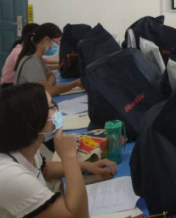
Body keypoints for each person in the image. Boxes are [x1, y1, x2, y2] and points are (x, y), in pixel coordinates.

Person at [0, 83, 117, 218]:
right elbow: (78, 216)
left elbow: (43, 169)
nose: (56, 110)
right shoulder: (9, 175)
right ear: (31, 119)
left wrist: (86, 166)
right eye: (51, 107)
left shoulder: (27, 145)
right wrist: (69, 157)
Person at [14, 23, 81, 96]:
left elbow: (51, 76)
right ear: (46, 40)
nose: (57, 45)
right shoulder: (31, 63)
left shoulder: (38, 59)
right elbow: (48, 92)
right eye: (56, 42)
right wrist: (74, 84)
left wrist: (47, 86)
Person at [1, 23, 39, 89]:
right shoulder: (19, 51)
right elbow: (29, 69)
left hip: (17, 82)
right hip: (10, 84)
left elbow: (40, 60)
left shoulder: (24, 49)